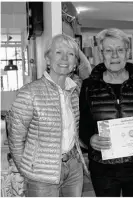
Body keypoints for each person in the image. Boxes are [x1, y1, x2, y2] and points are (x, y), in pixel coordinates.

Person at [8, 34, 89, 197]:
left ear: (74, 64)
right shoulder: (29, 92)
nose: (65, 58)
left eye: (71, 54)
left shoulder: (75, 91)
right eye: (59, 52)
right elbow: (15, 137)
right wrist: (26, 171)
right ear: (48, 58)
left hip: (73, 168)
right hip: (41, 174)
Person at [79, 28, 133, 197]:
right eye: (108, 50)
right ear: (100, 53)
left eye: (120, 50)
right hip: (103, 166)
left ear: (127, 53)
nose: (114, 56)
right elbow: (82, 123)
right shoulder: (89, 85)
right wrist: (90, 138)